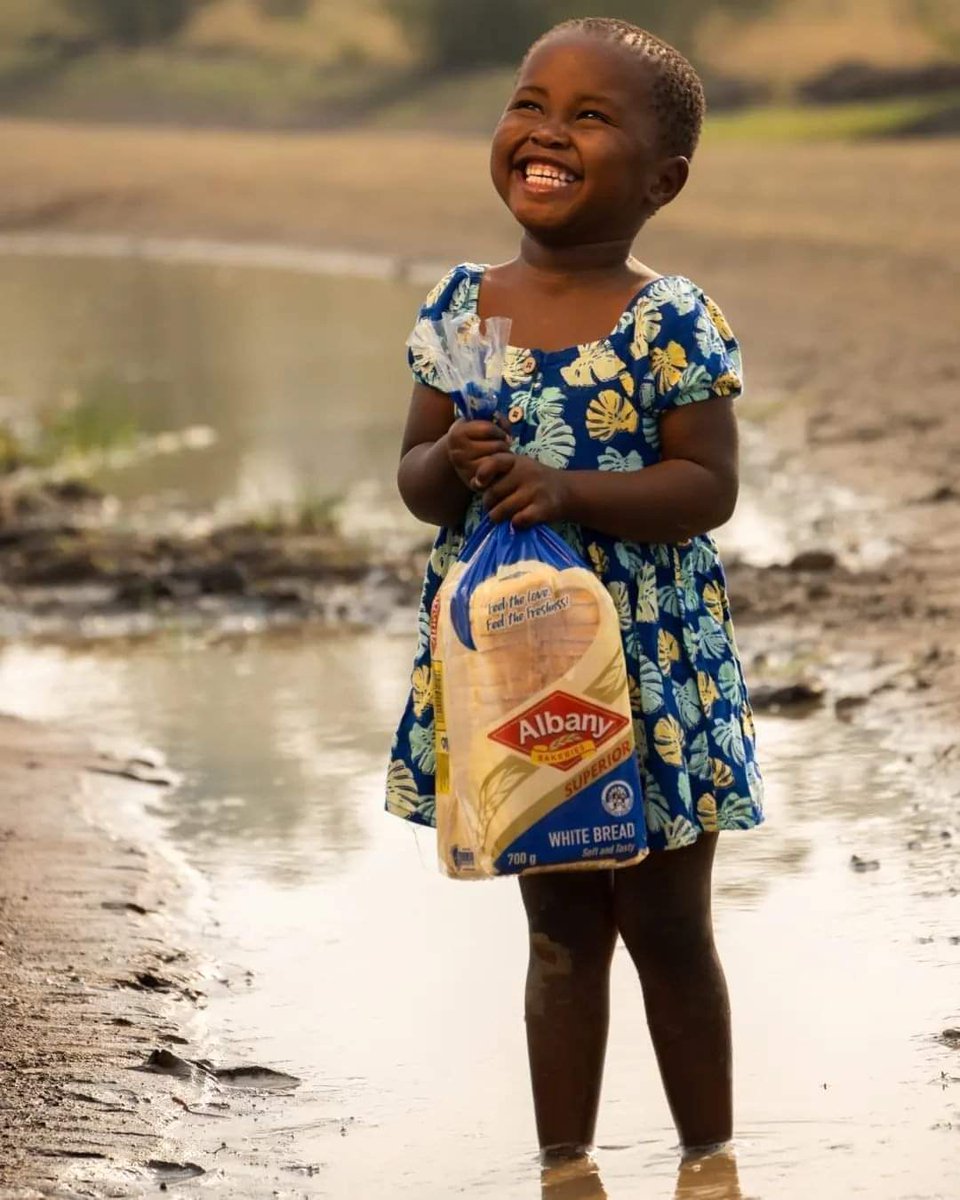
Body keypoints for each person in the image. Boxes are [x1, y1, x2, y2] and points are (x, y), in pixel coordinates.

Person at [386, 16, 764, 1167]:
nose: (546, 133)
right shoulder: (463, 306)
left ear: (664, 179)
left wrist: (569, 489)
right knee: (556, 936)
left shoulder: (671, 320)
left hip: (648, 671)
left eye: (590, 118)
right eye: (530, 104)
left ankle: (709, 1163)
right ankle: (568, 1170)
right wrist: (451, 467)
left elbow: (706, 489)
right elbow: (413, 482)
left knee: (668, 928)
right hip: (513, 673)